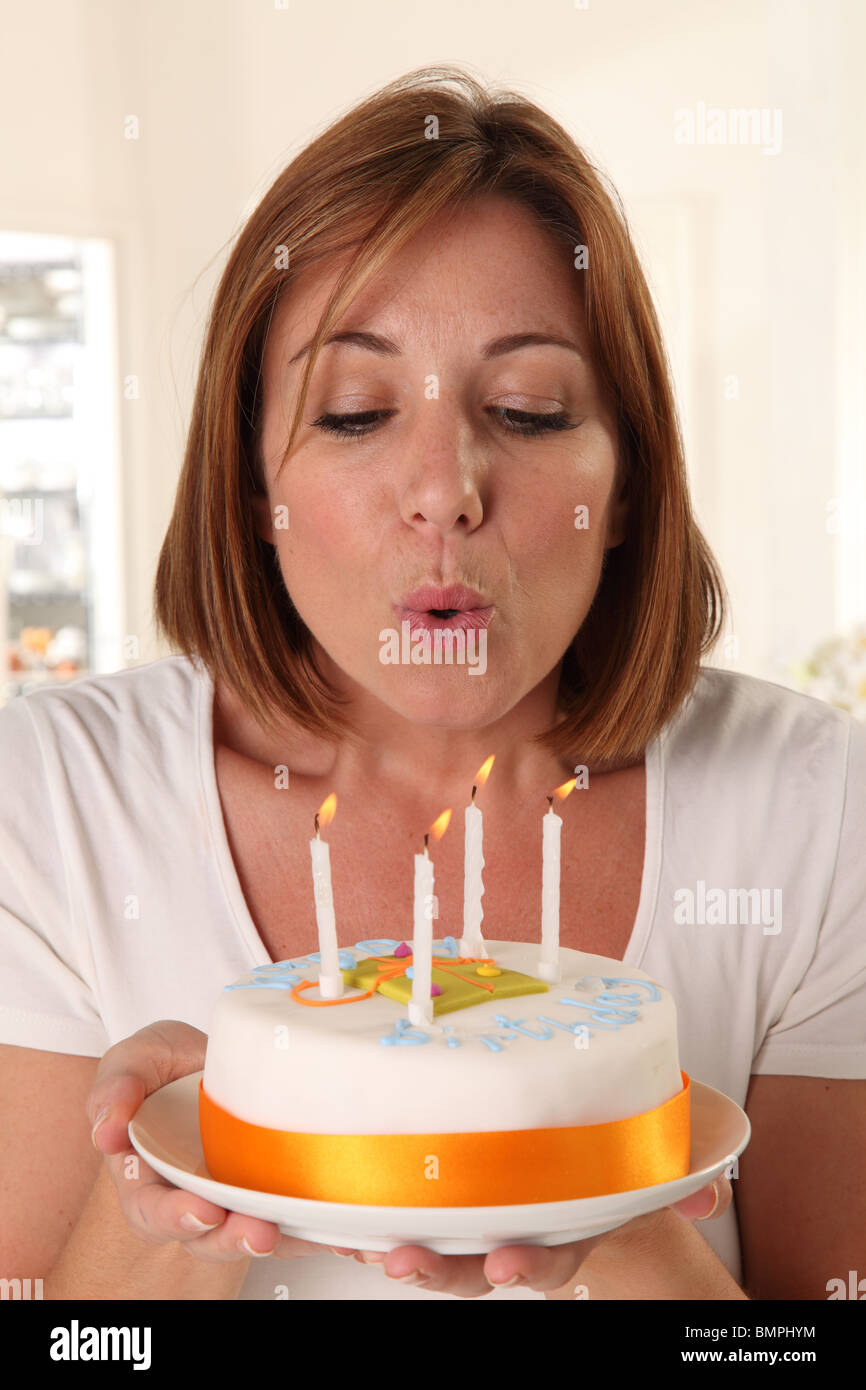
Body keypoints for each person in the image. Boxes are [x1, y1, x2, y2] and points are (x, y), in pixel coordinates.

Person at [1, 65, 863, 1302]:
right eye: (353, 412)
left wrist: (608, 1188)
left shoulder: (815, 810)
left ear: (621, 484)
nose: (444, 488)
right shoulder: (53, 798)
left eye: (523, 407)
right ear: (253, 481)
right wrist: (175, 1186)